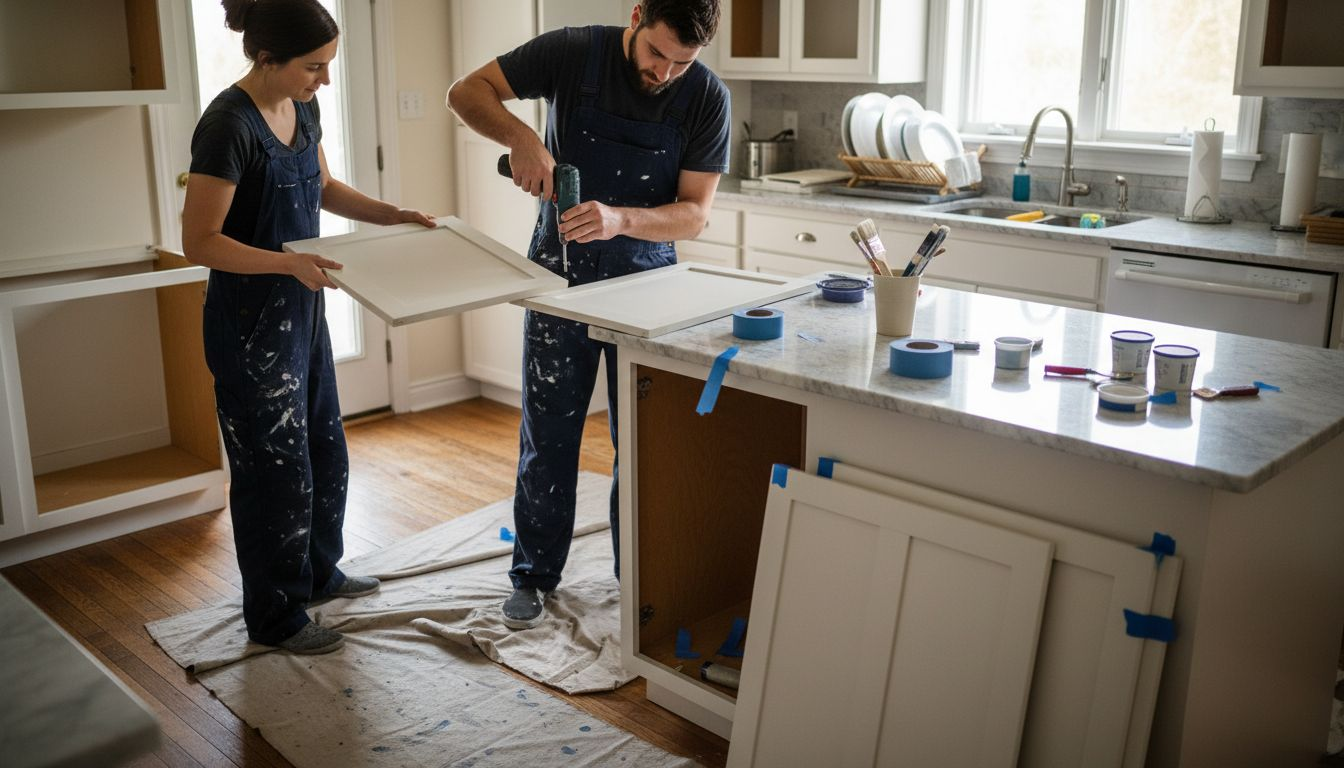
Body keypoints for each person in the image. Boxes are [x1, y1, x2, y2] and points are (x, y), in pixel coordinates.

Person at [447, 0, 729, 629]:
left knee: (643, 438)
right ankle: (534, 574)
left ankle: (640, 576)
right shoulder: (575, 52)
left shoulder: (705, 97)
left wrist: (621, 219)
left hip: (649, 288)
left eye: (683, 62)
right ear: (636, 16)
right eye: (657, 53)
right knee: (548, 434)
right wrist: (523, 138)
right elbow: (466, 92)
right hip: (561, 277)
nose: (664, 73)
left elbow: (695, 213)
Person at [182, 0, 435, 654]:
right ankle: (275, 616)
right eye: (313, 68)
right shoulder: (227, 126)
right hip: (248, 324)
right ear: (267, 59)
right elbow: (199, 240)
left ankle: (320, 573)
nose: (323, 81)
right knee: (274, 473)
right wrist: (286, 262)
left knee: (325, 447)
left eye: (327, 68)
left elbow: (322, 187)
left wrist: (392, 213)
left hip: (301, 309)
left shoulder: (304, 109)